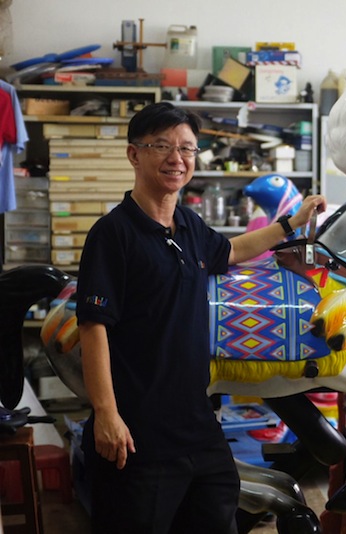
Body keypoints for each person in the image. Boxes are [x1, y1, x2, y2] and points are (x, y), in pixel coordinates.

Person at [75, 101, 326, 533]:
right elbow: (93, 327)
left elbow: (232, 250)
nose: (177, 158)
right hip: (138, 432)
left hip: (198, 424)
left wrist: (291, 223)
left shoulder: (189, 226)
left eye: (188, 149)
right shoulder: (113, 234)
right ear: (134, 154)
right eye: (162, 146)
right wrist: (106, 414)